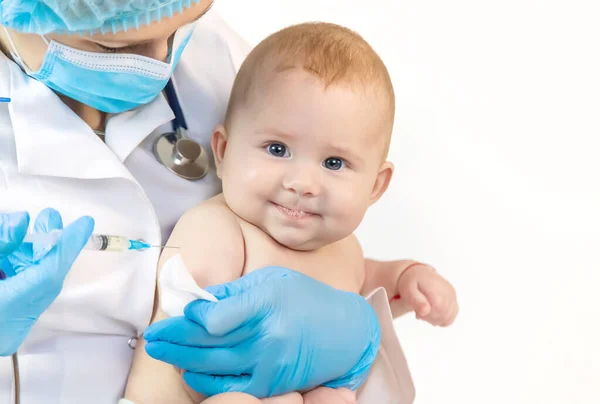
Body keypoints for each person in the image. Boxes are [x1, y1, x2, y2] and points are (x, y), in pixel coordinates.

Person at [0, 0, 453, 402]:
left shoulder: (248, 62)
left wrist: (365, 323)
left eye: (181, 27)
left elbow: (358, 273)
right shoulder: (216, 235)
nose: (162, 62)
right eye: (117, 49)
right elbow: (171, 344)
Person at [124, 22, 458, 404]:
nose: (302, 183)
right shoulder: (220, 229)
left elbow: (370, 288)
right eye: (277, 149)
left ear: (376, 186)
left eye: (334, 162)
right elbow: (188, 326)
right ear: (223, 151)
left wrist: (408, 278)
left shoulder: (344, 251)